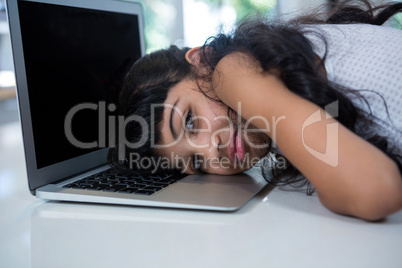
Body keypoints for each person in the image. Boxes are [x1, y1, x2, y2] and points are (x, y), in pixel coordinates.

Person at [108, 0, 402, 220]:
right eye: (196, 162)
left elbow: (375, 191)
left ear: (202, 57)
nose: (212, 151)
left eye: (190, 121)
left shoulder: (232, 70)